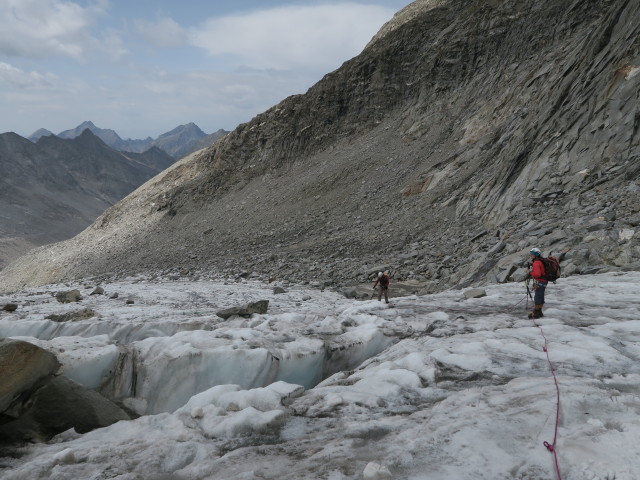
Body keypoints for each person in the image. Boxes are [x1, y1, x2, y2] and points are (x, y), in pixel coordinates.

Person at [528, 247, 548, 318]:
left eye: (531, 254)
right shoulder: (541, 261)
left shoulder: (536, 263)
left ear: (535, 255)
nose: (530, 255)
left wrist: (530, 272)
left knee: (538, 296)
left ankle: (536, 313)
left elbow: (537, 274)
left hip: (540, 281)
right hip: (544, 281)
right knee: (541, 295)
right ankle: (539, 311)